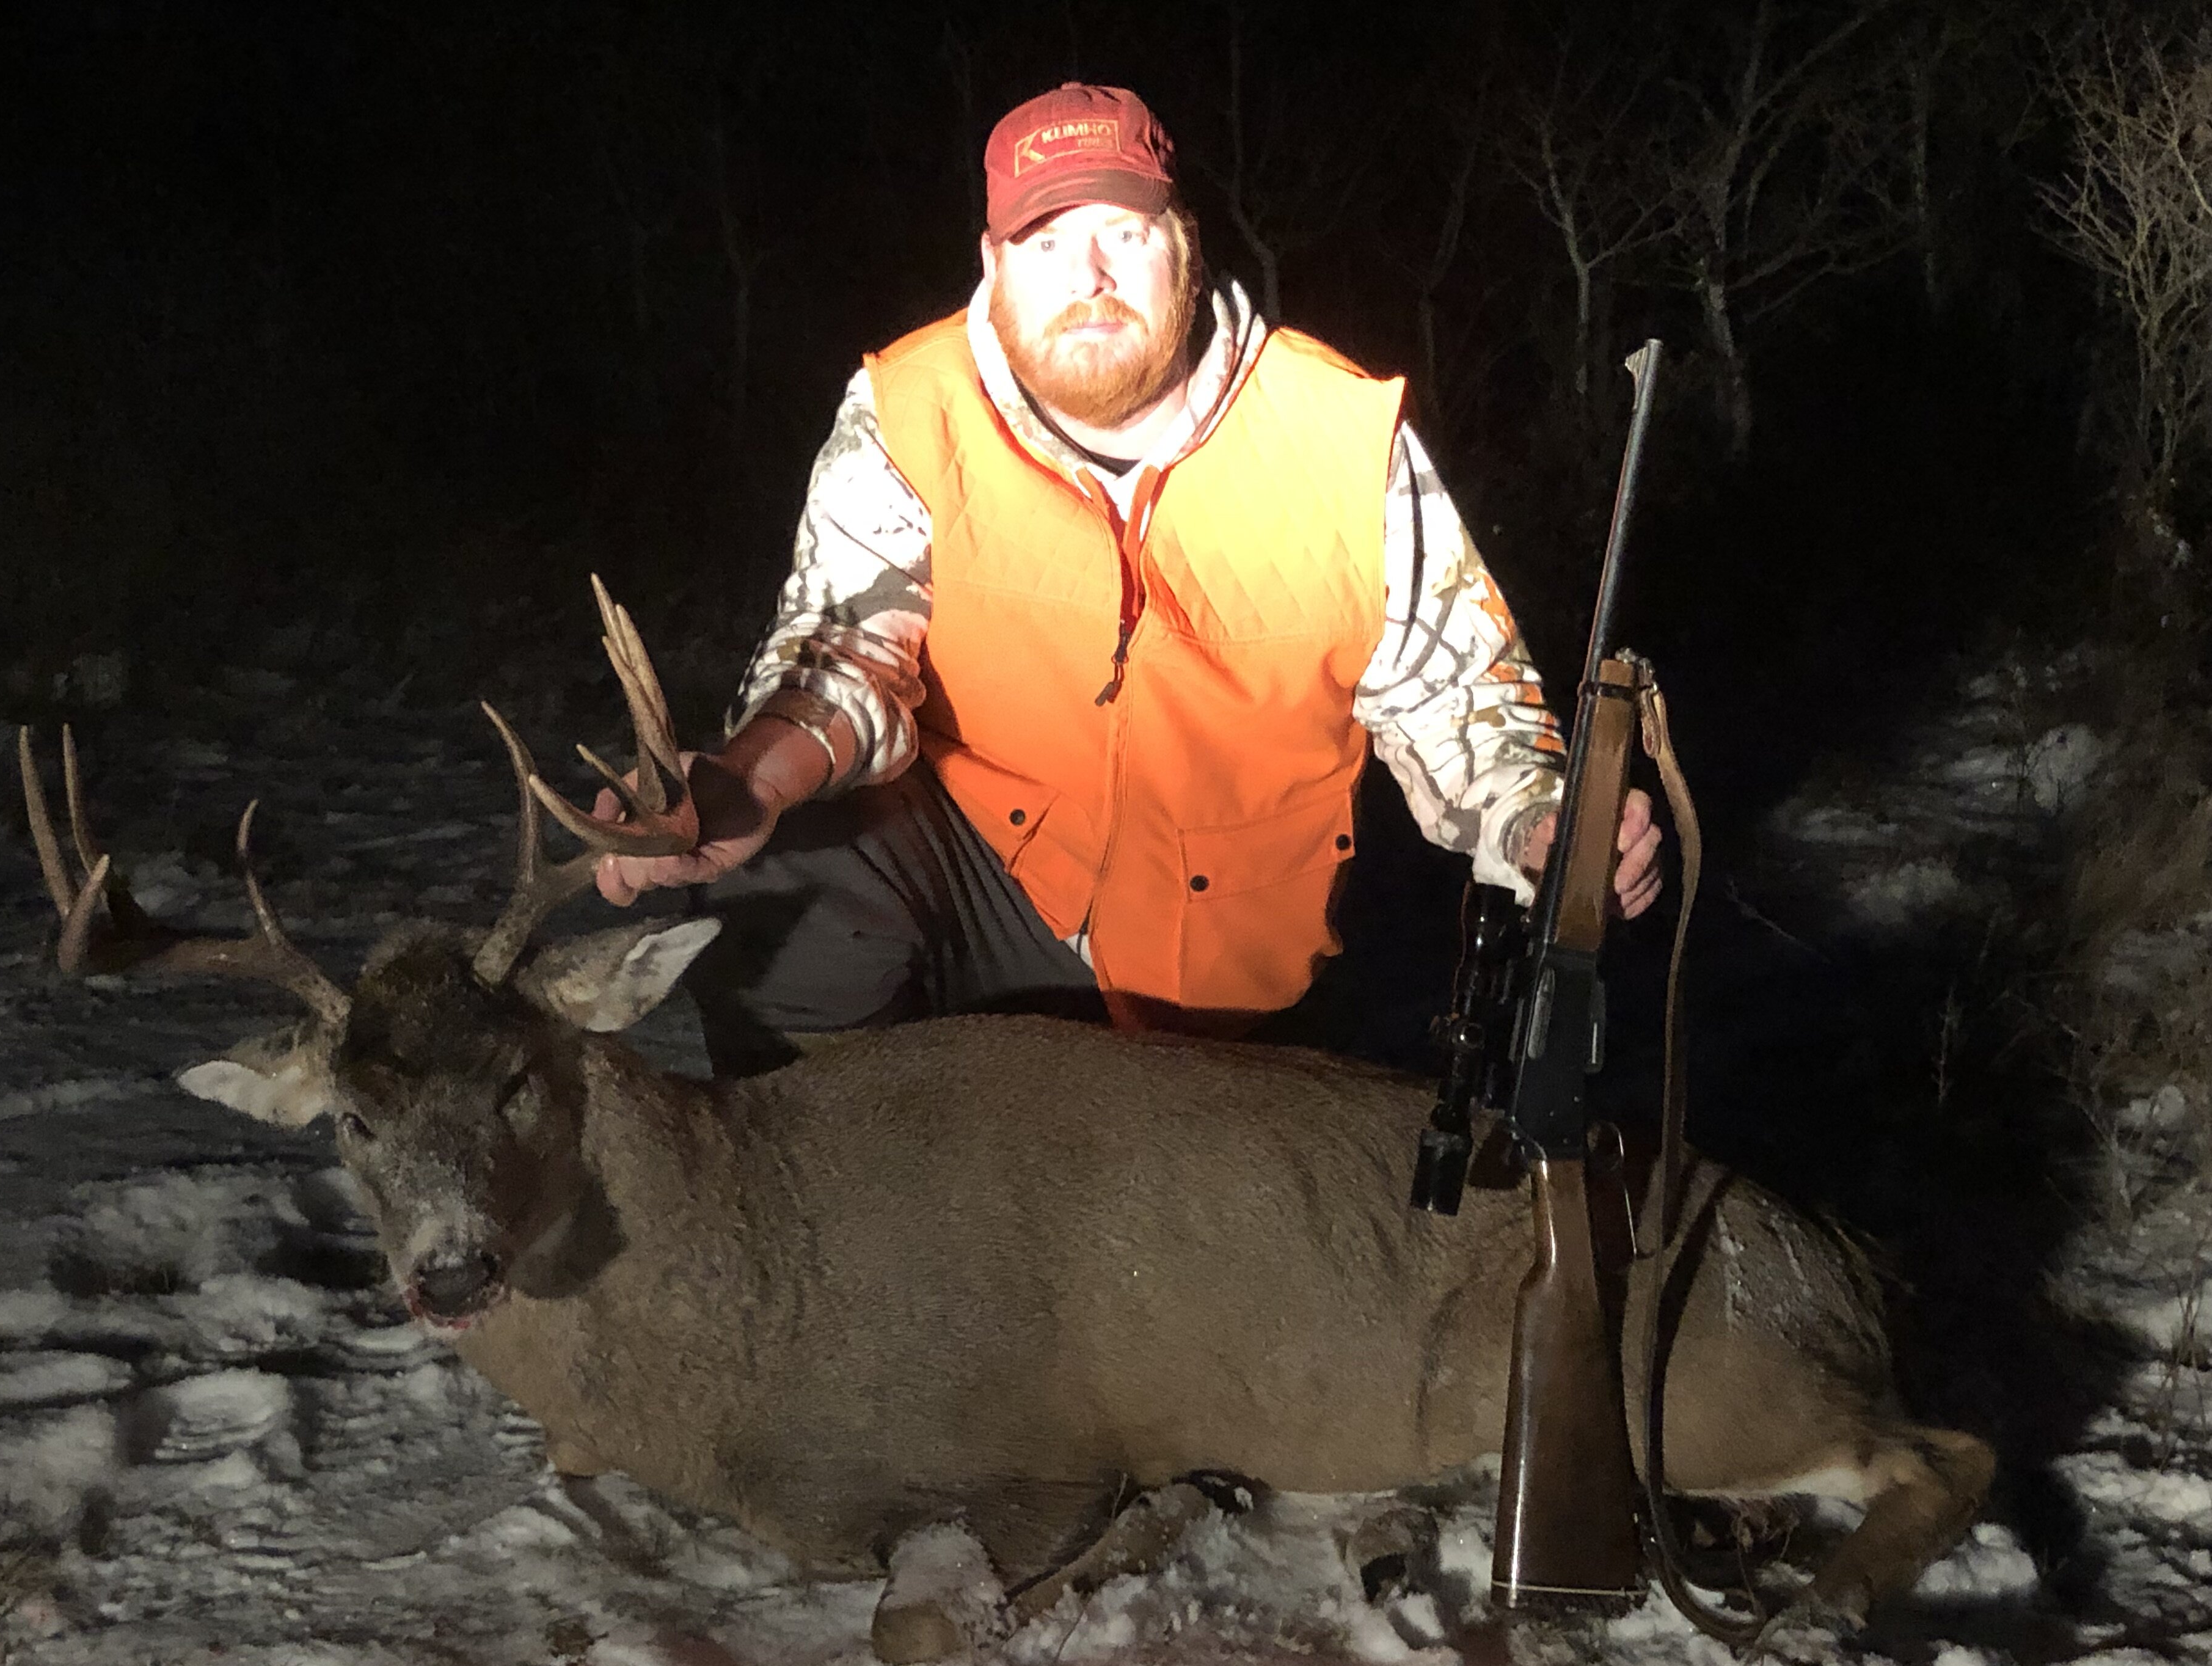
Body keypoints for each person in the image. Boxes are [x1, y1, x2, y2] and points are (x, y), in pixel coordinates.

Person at [595, 81, 1662, 1057]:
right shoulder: (909, 410)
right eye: (1047, 240)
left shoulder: (1338, 432)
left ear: (1183, 247)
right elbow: (847, 652)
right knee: (791, 862)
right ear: (991, 263)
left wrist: (1542, 827)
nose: (1090, 278)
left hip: (1230, 960)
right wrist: (748, 781)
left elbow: (1458, 695)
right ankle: (834, 1216)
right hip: (996, 887)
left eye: (1123, 232)